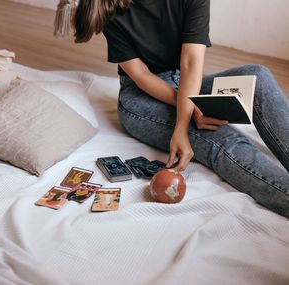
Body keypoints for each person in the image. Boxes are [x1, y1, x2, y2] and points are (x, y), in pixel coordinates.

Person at [72, 0, 289, 218]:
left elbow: (191, 63)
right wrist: (187, 114)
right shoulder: (109, 5)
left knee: (257, 77)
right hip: (140, 96)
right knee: (220, 136)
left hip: (184, 80)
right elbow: (140, 75)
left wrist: (186, 114)